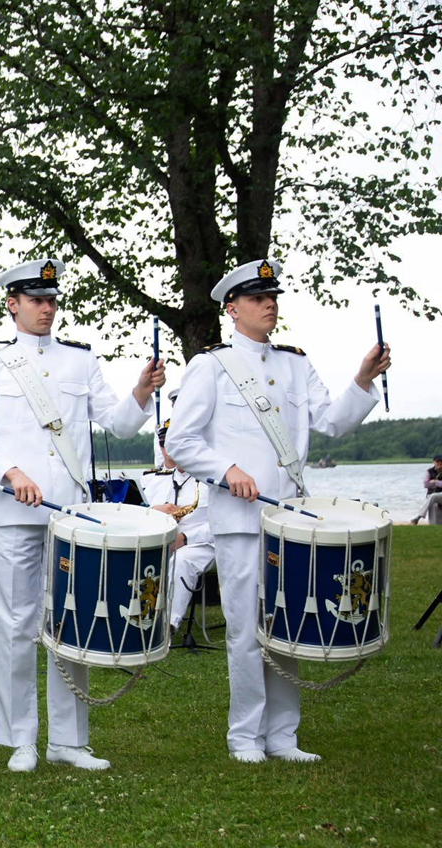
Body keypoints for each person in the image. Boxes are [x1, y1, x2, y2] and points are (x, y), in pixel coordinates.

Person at [166, 258, 388, 764]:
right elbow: (181, 440)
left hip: (291, 522)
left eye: (272, 298)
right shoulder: (211, 366)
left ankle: (284, 736)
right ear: (232, 309)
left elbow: (331, 423)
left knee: (287, 627)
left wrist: (361, 379)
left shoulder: (295, 364)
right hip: (240, 521)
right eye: (257, 298)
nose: (269, 305)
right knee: (246, 631)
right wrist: (227, 470)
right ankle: (245, 736)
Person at [0, 258, 163, 774]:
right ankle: (20, 739)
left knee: (72, 622)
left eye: (51, 300)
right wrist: (11, 474)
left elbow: (116, 421)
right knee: (14, 625)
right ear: (13, 304)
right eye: (36, 300)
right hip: (14, 512)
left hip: (70, 514)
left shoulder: (80, 360)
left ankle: (68, 741)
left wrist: (141, 391)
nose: (46, 308)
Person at [140, 417, 214, 632]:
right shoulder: (155, 481)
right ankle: (139, 618)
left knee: (182, 560)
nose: (171, 451)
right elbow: (139, 520)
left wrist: (185, 538)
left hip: (205, 544)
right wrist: (152, 512)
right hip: (165, 543)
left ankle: (167, 626)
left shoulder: (212, 480)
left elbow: (222, 524)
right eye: (166, 444)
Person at [409, 455, 442, 525]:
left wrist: (435, 482)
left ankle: (418, 517)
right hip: (431, 495)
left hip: (439, 495)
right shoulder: (429, 471)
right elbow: (426, 484)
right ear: (434, 462)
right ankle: (434, 526)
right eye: (437, 461)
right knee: (433, 503)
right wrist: (439, 483)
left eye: (441, 461)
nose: (439, 463)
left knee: (433, 496)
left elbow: (430, 483)